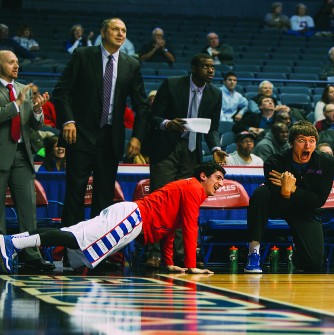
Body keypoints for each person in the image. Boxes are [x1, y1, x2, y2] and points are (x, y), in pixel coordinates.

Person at [0, 162, 225, 275]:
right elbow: (189, 228)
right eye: (218, 177)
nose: (221, 183)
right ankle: (14, 243)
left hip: (130, 216)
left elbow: (169, 229)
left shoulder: (190, 187)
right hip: (133, 218)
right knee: (75, 238)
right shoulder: (194, 188)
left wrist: (169, 264)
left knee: (74, 235)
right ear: (203, 175)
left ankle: (11, 240)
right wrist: (191, 266)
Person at [53, 18, 149, 231]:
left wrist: (137, 136)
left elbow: (142, 105)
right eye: (115, 29)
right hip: (80, 135)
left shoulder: (131, 64)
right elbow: (61, 93)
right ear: (103, 33)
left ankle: (98, 249)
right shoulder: (82, 55)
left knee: (104, 197)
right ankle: (72, 250)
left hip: (110, 138)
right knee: (75, 192)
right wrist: (68, 121)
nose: (120, 33)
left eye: (124, 30)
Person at [142, 53, 225, 268]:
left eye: (213, 67)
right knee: (160, 202)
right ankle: (154, 252)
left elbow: (212, 128)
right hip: (166, 150)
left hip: (192, 152)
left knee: (185, 205)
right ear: (194, 68)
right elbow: (153, 117)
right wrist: (168, 123)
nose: (211, 70)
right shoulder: (172, 84)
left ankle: (179, 255)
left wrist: (215, 148)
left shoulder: (215, 94)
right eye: (206, 66)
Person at [244, 121, 334, 273]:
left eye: (311, 141)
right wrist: (286, 193)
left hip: (306, 209)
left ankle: (297, 252)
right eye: (301, 140)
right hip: (278, 204)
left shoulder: (326, 162)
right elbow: (277, 196)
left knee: (313, 264)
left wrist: (292, 189)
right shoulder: (274, 162)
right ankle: (254, 252)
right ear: (292, 143)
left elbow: (319, 200)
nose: (307, 146)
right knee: (261, 193)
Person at [0, 50, 53, 271]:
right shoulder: (19, 95)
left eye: (17, 62)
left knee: (27, 208)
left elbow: (34, 126)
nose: (16, 65)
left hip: (23, 155)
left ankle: (31, 255)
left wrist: (38, 111)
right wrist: (16, 105)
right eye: (11, 62)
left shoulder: (23, 89)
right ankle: (1, 254)